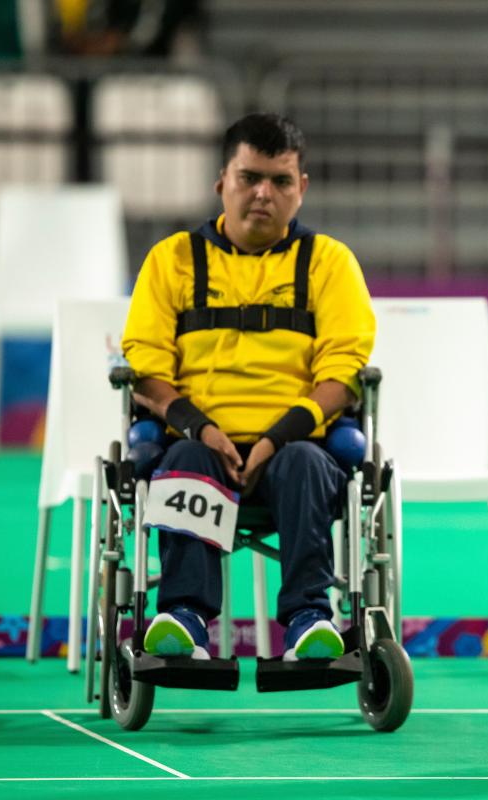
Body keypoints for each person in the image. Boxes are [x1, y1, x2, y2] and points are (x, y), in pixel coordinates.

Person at [121, 112, 375, 663]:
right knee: (183, 456)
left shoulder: (330, 263)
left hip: (295, 447)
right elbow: (144, 367)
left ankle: (311, 617)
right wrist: (202, 428)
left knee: (308, 464)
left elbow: (345, 371)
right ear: (222, 182)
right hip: (195, 443)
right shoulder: (172, 260)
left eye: (281, 181)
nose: (264, 193)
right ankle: (183, 618)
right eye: (249, 178)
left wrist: (275, 440)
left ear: (301, 189)